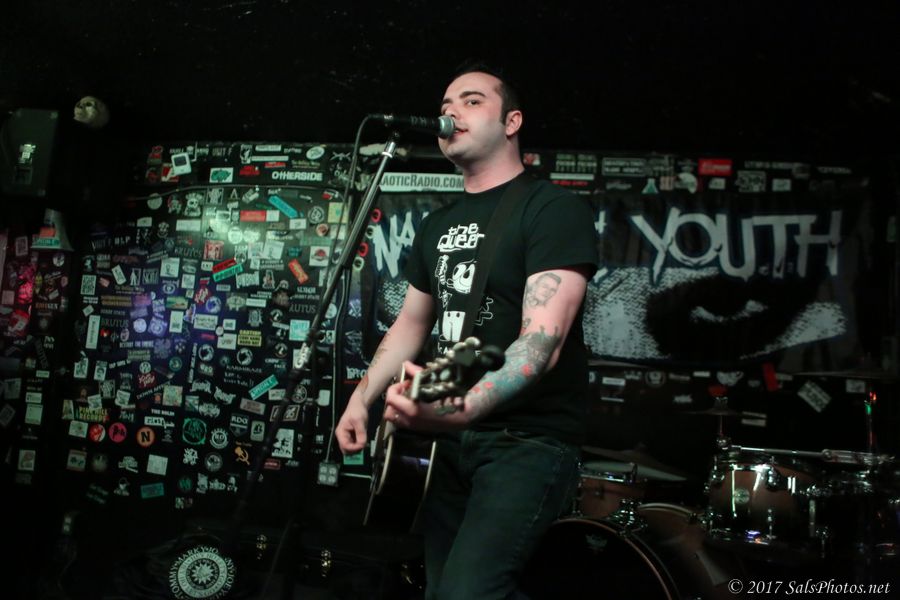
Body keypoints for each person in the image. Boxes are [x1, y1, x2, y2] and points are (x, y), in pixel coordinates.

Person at [336, 62, 599, 599]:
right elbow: (410, 324)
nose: (451, 112)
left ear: (511, 122)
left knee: (469, 592)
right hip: (443, 446)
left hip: (524, 443)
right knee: (439, 590)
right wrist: (361, 399)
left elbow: (542, 342)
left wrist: (466, 408)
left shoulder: (551, 209)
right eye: (445, 105)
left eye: (472, 101)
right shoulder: (437, 224)